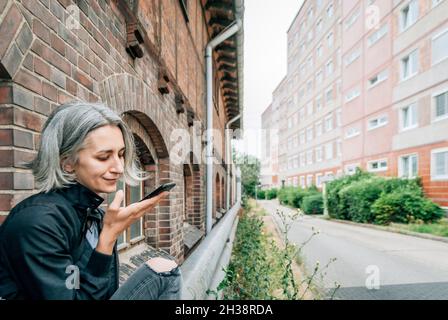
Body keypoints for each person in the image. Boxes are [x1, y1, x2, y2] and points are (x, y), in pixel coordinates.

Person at [0, 101, 182, 300]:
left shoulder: (92, 214)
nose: (119, 168)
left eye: (121, 155)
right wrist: (107, 238)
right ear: (68, 163)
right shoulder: (36, 224)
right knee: (163, 273)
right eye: (104, 157)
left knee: (165, 269)